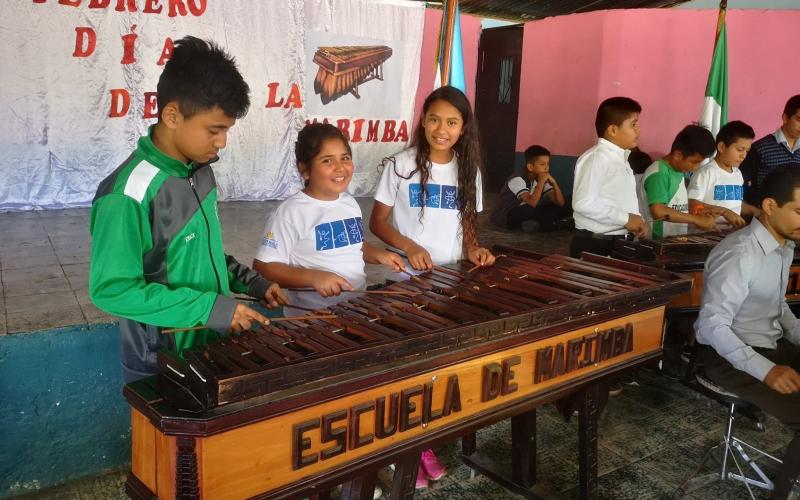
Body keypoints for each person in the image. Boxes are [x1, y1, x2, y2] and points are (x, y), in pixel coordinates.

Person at [89, 36, 287, 384]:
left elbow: (200, 253)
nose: (222, 141)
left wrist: (253, 283)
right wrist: (210, 308)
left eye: (227, 130)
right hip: (161, 360)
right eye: (215, 130)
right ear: (172, 116)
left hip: (209, 346)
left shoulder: (200, 172)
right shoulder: (128, 194)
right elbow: (113, 289)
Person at [370, 85, 495, 488]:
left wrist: (475, 249)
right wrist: (408, 246)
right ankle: (404, 450)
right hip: (405, 285)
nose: (442, 129)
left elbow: (468, 226)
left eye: (452, 122)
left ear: (463, 128)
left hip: (451, 284)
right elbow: (378, 222)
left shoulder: (468, 171)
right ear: (423, 121)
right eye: (435, 119)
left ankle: (421, 441)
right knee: (406, 371)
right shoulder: (401, 164)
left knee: (437, 371)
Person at [694, 164, 800, 500]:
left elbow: (777, 307)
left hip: (768, 342)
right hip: (725, 355)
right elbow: (712, 326)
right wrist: (766, 370)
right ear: (769, 206)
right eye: (799, 211)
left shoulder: (784, 245)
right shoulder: (740, 253)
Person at [252, 122, 405, 317]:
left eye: (345, 158)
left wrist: (379, 255)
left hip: (355, 310)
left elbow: (352, 246)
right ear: (305, 169)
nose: (340, 167)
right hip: (312, 318)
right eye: (327, 161)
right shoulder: (290, 212)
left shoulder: (350, 204)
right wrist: (314, 277)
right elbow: (263, 268)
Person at [570, 97, 647, 257]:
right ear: (612, 130)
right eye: (633, 124)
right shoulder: (596, 158)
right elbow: (583, 202)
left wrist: (638, 221)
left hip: (616, 242)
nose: (639, 130)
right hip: (595, 244)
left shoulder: (622, 159)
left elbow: (619, 201)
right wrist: (626, 219)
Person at [638, 124, 717, 238]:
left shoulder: (679, 170)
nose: (696, 167)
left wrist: (697, 212)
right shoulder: (659, 174)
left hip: (673, 240)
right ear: (678, 155)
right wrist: (697, 220)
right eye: (694, 162)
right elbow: (658, 211)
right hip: (657, 242)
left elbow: (676, 205)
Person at [688, 120, 758, 230]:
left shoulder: (738, 174)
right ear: (721, 147)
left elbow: (734, 203)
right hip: (705, 235)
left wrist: (755, 211)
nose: (743, 156)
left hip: (729, 234)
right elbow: (691, 204)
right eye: (740, 150)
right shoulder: (706, 173)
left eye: (747, 151)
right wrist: (723, 212)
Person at [489, 145, 570, 232]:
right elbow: (532, 203)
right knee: (530, 210)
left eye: (548, 164)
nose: (546, 168)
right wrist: (541, 182)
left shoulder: (541, 178)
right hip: (506, 216)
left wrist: (554, 183)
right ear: (530, 167)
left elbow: (560, 203)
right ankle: (550, 223)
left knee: (568, 202)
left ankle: (538, 223)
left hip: (530, 211)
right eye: (542, 164)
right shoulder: (517, 179)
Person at [742, 95, 800, 204]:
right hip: (765, 211)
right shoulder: (760, 148)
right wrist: (754, 207)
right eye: (799, 119)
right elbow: (739, 181)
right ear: (785, 118)